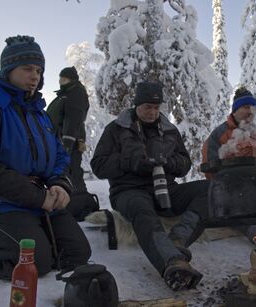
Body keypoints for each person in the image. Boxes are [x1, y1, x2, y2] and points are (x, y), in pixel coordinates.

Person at [0, 35, 91, 279]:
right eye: (27, 69)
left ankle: (34, 237)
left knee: (77, 253)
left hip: (36, 201)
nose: (35, 76)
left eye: (38, 70)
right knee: (32, 263)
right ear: (8, 70)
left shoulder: (39, 114)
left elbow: (59, 156)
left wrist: (59, 184)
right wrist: (37, 197)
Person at [91, 81, 208, 291]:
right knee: (141, 209)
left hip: (166, 189)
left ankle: (179, 239)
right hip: (128, 191)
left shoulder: (169, 130)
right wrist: (131, 162)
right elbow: (98, 166)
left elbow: (185, 163)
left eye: (156, 107)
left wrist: (169, 162)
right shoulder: (116, 129)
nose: (153, 112)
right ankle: (172, 263)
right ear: (136, 105)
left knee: (210, 190)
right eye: (147, 107)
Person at [47, 66, 99, 221]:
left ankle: (81, 206)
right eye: (60, 78)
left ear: (71, 79)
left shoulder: (75, 92)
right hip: (59, 141)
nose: (60, 80)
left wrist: (67, 142)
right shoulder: (65, 94)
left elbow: (74, 117)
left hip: (68, 142)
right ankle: (72, 203)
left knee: (71, 171)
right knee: (67, 171)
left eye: (64, 78)